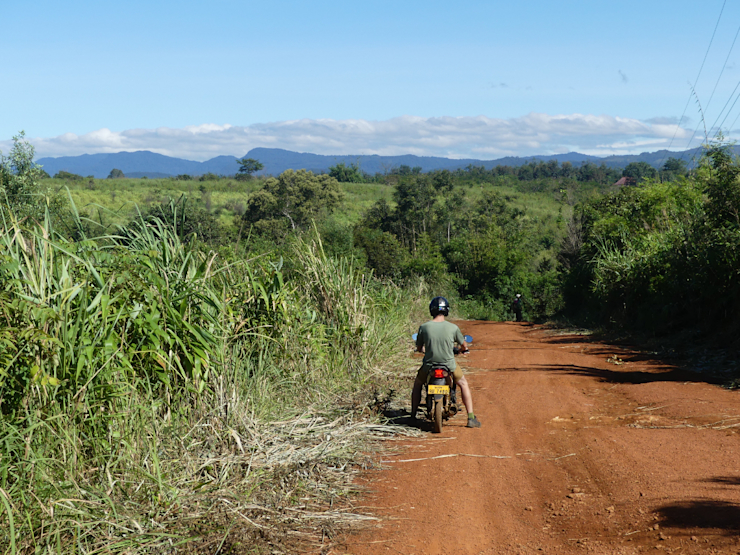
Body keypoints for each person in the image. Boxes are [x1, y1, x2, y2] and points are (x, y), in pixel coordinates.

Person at [411, 296, 481, 428]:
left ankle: (413, 415)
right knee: (463, 384)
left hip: (429, 365)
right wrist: (463, 350)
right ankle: (471, 417)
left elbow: (419, 348)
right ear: (446, 310)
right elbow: (464, 345)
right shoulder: (453, 328)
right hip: (449, 365)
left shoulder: (424, 327)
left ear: (431, 310)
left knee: (418, 385)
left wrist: (424, 350)